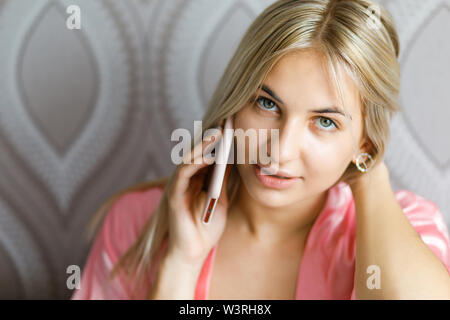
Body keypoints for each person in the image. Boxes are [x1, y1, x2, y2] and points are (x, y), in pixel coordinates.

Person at [71, 0, 450, 300]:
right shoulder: (138, 222)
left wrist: (370, 176)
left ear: (364, 142)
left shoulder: (407, 228)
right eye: (267, 104)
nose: (278, 152)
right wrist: (180, 265)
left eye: (325, 121)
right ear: (235, 100)